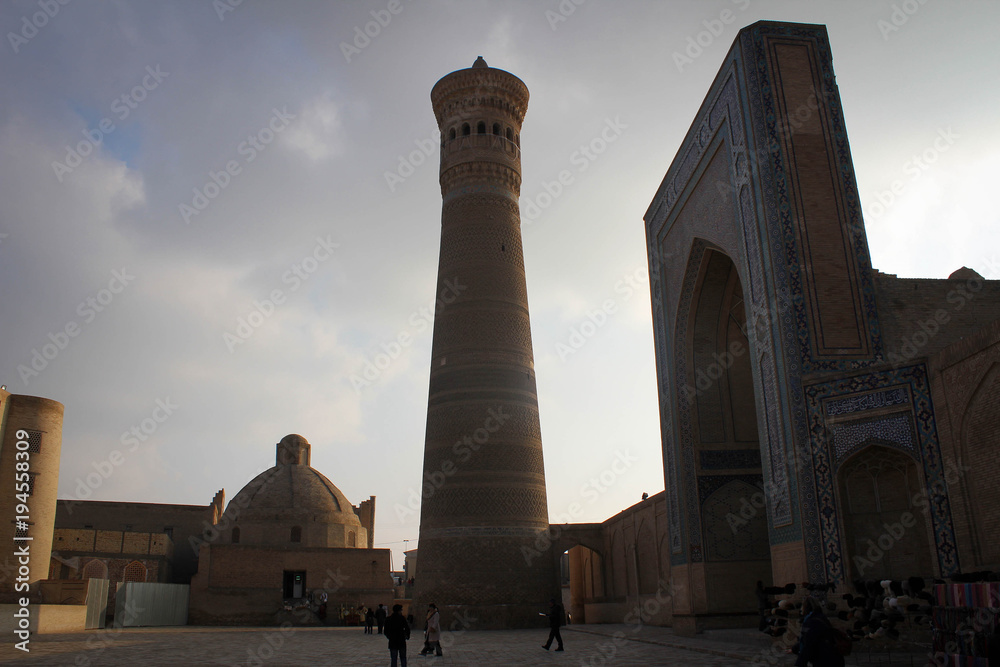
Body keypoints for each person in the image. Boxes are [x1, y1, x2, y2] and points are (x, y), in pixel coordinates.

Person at [794, 597, 844, 667]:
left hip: (825, 659)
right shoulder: (819, 617)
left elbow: (808, 643)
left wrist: (800, 663)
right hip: (830, 657)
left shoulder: (811, 622)